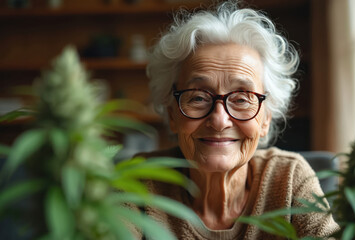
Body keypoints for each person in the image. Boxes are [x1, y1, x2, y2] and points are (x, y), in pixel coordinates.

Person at [135, 1, 338, 239]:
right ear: (172, 115)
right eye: (199, 98)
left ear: (266, 118)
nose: (220, 120)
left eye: (242, 99)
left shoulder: (289, 178)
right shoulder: (142, 180)